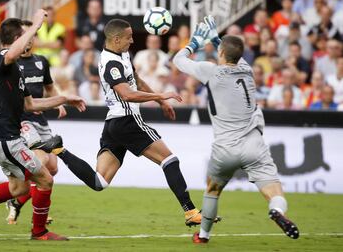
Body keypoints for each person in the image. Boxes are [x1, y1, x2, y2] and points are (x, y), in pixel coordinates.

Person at [53, 19, 204, 227]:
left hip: (113, 125)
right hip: (127, 121)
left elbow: (136, 80)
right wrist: (162, 94)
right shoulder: (110, 63)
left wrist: (160, 102)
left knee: (100, 182)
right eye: (129, 37)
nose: (132, 40)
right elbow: (127, 93)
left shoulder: (122, 54)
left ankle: (59, 149)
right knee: (169, 160)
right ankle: (190, 211)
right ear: (116, 39)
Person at [0, 9, 86, 241]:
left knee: (19, 189)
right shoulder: (2, 60)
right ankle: (39, 232)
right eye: (26, 36)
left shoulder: (14, 71)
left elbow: (31, 105)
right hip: (5, 139)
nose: (31, 40)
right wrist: (35, 24)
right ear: (16, 39)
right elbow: (11, 53)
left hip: (3, 139)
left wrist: (63, 99)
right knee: (45, 178)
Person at [173, 15, 299, 244]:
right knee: (275, 191)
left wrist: (194, 43)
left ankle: (203, 235)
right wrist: (216, 38)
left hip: (225, 148)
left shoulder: (210, 70)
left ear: (220, 54)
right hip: (254, 145)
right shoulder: (248, 70)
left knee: (212, 189)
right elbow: (230, 51)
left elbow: (178, 60)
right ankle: (278, 212)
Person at [4, 20, 67, 225]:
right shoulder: (12, 63)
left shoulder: (42, 61)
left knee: (53, 168)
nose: (28, 42)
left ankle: (17, 201)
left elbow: (49, 87)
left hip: (40, 120)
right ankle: (38, 214)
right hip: (23, 121)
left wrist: (58, 103)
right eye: (25, 38)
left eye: (32, 38)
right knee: (40, 163)